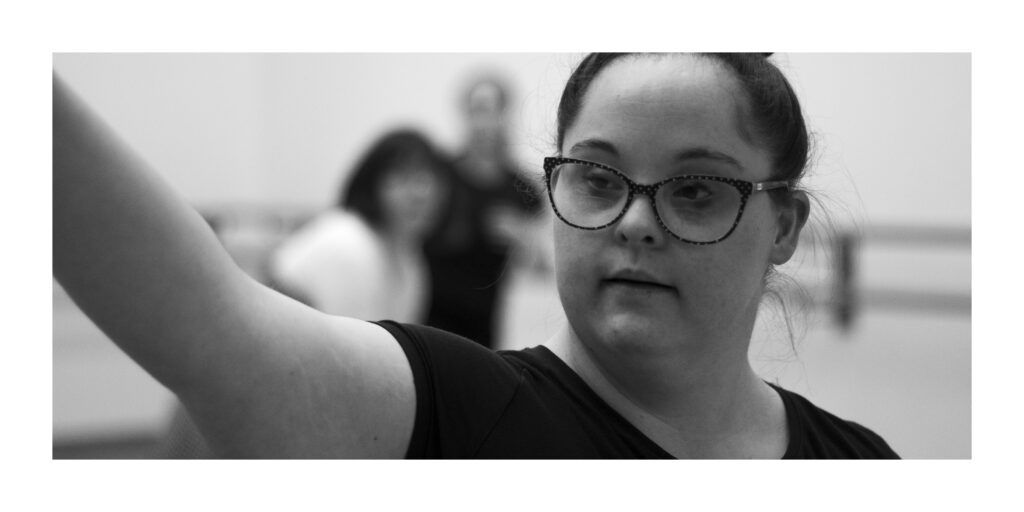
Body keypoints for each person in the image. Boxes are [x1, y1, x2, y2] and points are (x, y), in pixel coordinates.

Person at [53, 53, 899, 458]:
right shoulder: (457, 412)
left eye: (696, 190)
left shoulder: (861, 464)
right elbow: (216, 331)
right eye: (599, 178)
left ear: (783, 224)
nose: (637, 223)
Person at [155, 128, 450, 458]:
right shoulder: (348, 240)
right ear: (374, 182)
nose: (420, 192)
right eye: (404, 178)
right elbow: (356, 373)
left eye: (429, 179)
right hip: (254, 373)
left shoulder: (409, 260)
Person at [423, 73, 546, 349]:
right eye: (477, 109)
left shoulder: (522, 188)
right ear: (464, 113)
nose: (484, 120)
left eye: (492, 109)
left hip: (485, 320)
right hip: (426, 313)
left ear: (505, 114)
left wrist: (520, 237)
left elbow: (539, 265)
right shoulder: (438, 175)